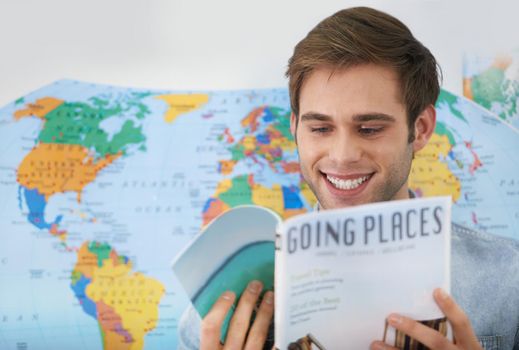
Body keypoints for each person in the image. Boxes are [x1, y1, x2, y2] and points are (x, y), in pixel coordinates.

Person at [189, 6, 519, 350]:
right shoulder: (215, 313)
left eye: (370, 128)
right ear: (295, 129)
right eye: (320, 128)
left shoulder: (509, 282)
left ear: (420, 129)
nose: (342, 154)